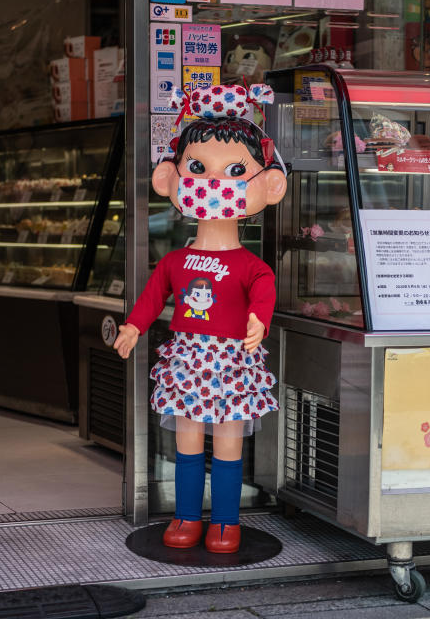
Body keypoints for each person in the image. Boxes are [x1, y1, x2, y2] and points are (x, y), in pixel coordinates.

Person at [113, 83, 287, 555]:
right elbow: (153, 296)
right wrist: (134, 325)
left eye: (235, 172)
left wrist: (259, 321)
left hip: (232, 362)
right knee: (188, 443)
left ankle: (226, 523)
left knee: (228, 445)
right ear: (169, 177)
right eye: (197, 168)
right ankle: (187, 517)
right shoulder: (174, 261)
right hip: (188, 360)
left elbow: (263, 293)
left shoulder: (253, 266)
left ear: (270, 184)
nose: (213, 182)